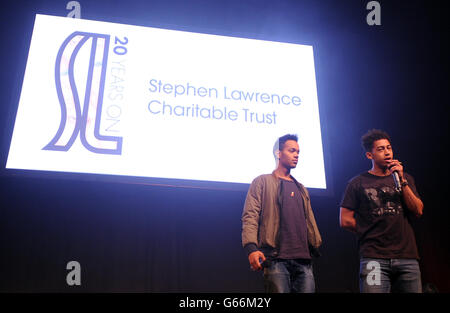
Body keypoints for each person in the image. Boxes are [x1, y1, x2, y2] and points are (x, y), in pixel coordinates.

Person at [340, 129, 424, 293]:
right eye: (380, 149)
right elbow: (345, 220)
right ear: (369, 155)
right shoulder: (357, 183)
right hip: (374, 258)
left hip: (407, 258)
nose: (387, 152)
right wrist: (368, 230)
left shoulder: (404, 178)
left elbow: (418, 210)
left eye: (389, 148)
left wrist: (402, 180)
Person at [241, 134, 322, 293]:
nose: (296, 155)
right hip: (276, 260)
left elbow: (309, 221)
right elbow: (250, 216)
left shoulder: (302, 189)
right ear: (278, 153)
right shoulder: (262, 182)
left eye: (298, 152)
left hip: (304, 261)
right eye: (292, 150)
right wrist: (251, 248)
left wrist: (315, 243)